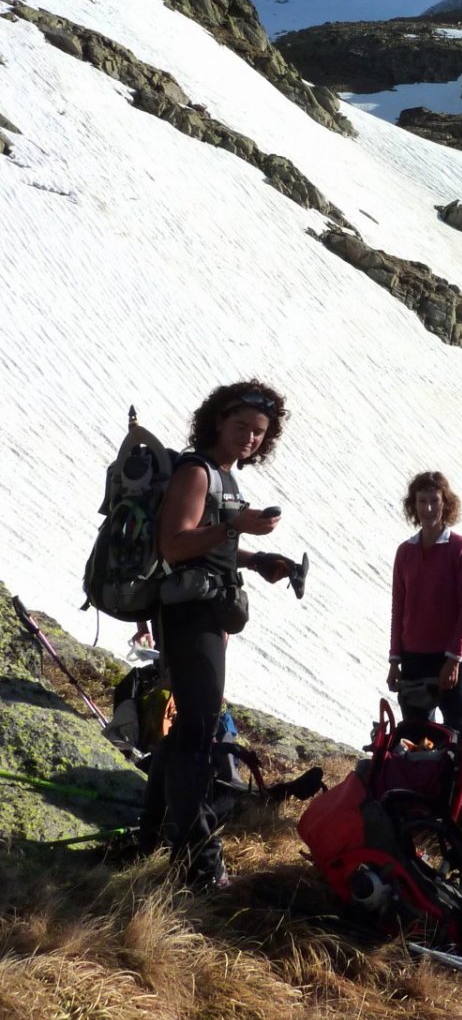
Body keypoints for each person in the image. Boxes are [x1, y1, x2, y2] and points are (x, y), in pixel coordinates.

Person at [140, 381, 289, 890]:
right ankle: (198, 862)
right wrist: (235, 528)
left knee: (188, 730)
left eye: (259, 432)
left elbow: (212, 549)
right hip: (188, 616)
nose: (250, 437)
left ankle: (153, 835)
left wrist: (258, 560)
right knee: (198, 735)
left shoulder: (223, 475)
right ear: (218, 422)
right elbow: (175, 544)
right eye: (241, 426)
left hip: (207, 614)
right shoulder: (196, 471)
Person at [387, 471, 462, 730]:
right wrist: (395, 659)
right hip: (413, 658)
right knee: (415, 734)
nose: (428, 508)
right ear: (413, 505)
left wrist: (454, 658)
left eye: (434, 501)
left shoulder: (460, 548)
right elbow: (399, 608)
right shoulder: (405, 552)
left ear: (445, 503)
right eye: (421, 501)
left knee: (459, 732)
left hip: (448, 658)